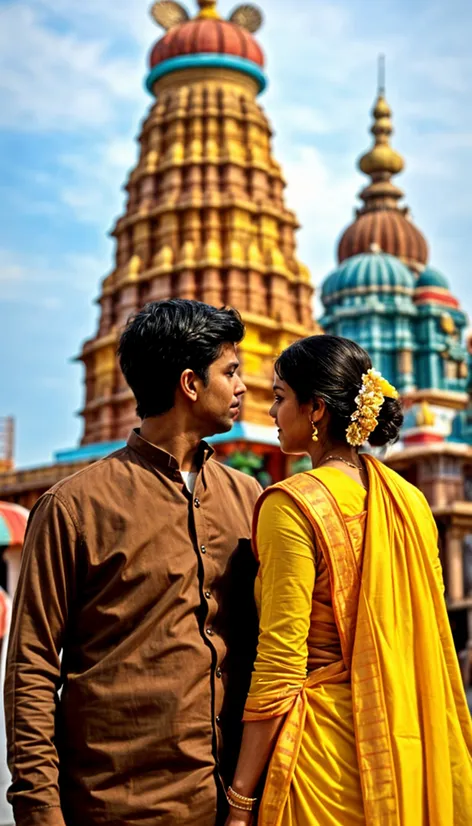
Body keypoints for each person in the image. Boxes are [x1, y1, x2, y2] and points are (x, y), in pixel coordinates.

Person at [5, 299, 261, 826]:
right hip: (116, 807)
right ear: (190, 384)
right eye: (231, 372)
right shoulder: (73, 508)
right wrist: (40, 812)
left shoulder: (248, 498)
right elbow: (30, 670)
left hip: (232, 807)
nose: (242, 388)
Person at [225, 335, 472, 826]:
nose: (271, 412)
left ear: (316, 409)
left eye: (278, 397)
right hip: (408, 749)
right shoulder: (409, 501)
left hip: (322, 767)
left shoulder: (291, 504)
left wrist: (239, 799)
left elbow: (280, 663)